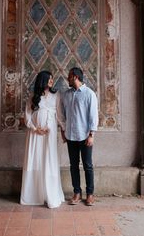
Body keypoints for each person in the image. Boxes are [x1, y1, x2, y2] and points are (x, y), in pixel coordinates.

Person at [20, 70, 65, 208]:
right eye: (49, 79)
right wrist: (35, 129)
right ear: (42, 80)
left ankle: (50, 194)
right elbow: (27, 116)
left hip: (49, 134)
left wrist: (63, 129)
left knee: (48, 159)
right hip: (35, 134)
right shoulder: (33, 96)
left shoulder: (56, 95)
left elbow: (59, 115)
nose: (51, 81)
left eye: (52, 79)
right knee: (35, 159)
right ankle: (33, 195)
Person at [61, 67, 98, 206]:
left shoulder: (89, 94)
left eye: (69, 76)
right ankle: (77, 192)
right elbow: (63, 115)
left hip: (85, 135)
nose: (67, 79)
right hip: (70, 136)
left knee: (88, 165)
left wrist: (91, 135)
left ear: (75, 77)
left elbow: (93, 116)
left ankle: (90, 194)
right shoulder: (66, 95)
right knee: (73, 166)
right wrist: (62, 132)